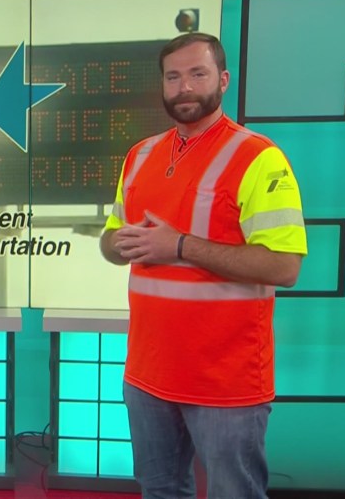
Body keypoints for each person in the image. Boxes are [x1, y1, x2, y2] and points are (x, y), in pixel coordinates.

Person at [99, 33, 307, 499]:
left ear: (223, 80)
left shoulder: (258, 157)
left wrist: (179, 246)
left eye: (198, 74)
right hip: (148, 375)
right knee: (160, 490)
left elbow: (284, 266)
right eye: (173, 77)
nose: (185, 87)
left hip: (225, 382)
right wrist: (119, 244)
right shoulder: (140, 155)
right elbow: (111, 241)